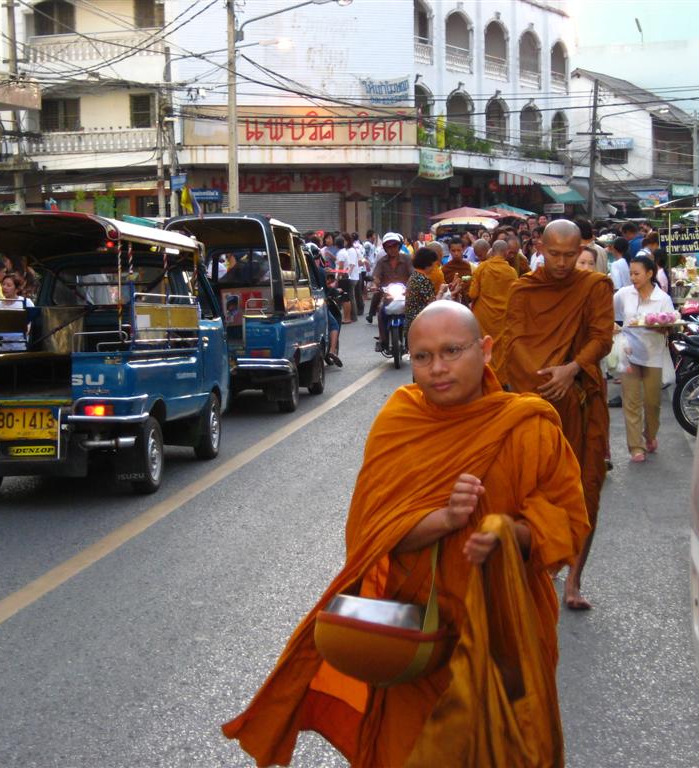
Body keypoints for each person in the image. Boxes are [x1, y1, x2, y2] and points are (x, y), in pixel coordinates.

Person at [222, 301, 590, 766]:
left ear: (487, 350)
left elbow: (569, 521)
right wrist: (446, 520)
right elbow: (368, 533)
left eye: (452, 351)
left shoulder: (527, 426)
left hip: (506, 638)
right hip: (420, 641)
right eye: (422, 357)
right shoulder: (400, 420)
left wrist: (508, 534)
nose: (437, 368)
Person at [499, 220, 614, 611]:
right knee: (534, 490)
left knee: (586, 487)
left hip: (582, 398)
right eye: (555, 254)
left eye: (570, 254)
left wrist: (572, 370)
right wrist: (543, 380)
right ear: (541, 249)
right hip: (537, 401)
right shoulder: (523, 289)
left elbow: (602, 337)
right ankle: (542, 570)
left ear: (581, 248)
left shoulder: (594, 286)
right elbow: (511, 340)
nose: (563, 263)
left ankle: (575, 580)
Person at [613, 255, 676, 462]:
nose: (633, 277)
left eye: (637, 273)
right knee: (631, 402)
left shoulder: (663, 299)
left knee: (652, 403)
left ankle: (649, 435)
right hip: (629, 354)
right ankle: (635, 447)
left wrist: (657, 327)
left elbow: (669, 327)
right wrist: (614, 328)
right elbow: (611, 314)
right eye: (631, 273)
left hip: (653, 355)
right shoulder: (623, 294)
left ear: (650, 274)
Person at [468, 240, 517, 374]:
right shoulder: (511, 272)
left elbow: (473, 294)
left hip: (483, 316)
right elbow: (515, 297)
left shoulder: (482, 268)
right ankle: (499, 380)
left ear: (492, 251)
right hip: (502, 316)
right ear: (506, 253)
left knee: (484, 345)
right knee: (500, 349)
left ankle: (485, 375)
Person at [368, 233, 411, 350]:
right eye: (389, 247)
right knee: (381, 312)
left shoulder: (407, 259)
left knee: (413, 314)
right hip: (388, 295)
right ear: (385, 248)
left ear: (399, 246)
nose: (392, 249)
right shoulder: (382, 262)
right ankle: (382, 339)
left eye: (394, 246)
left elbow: (413, 275)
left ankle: (412, 338)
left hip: (405, 295)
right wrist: (374, 285)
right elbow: (376, 276)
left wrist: (411, 286)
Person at [404, 246, 439, 337]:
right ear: (428, 264)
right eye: (433, 265)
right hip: (421, 324)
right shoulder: (423, 279)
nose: (434, 268)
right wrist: (443, 292)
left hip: (410, 324)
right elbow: (432, 304)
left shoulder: (414, 276)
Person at [335, 236, 360, 321]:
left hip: (343, 277)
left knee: (345, 298)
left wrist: (337, 278)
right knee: (348, 298)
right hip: (346, 276)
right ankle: (349, 317)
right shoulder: (345, 252)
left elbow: (341, 266)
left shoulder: (341, 253)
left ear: (336, 245)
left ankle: (347, 318)